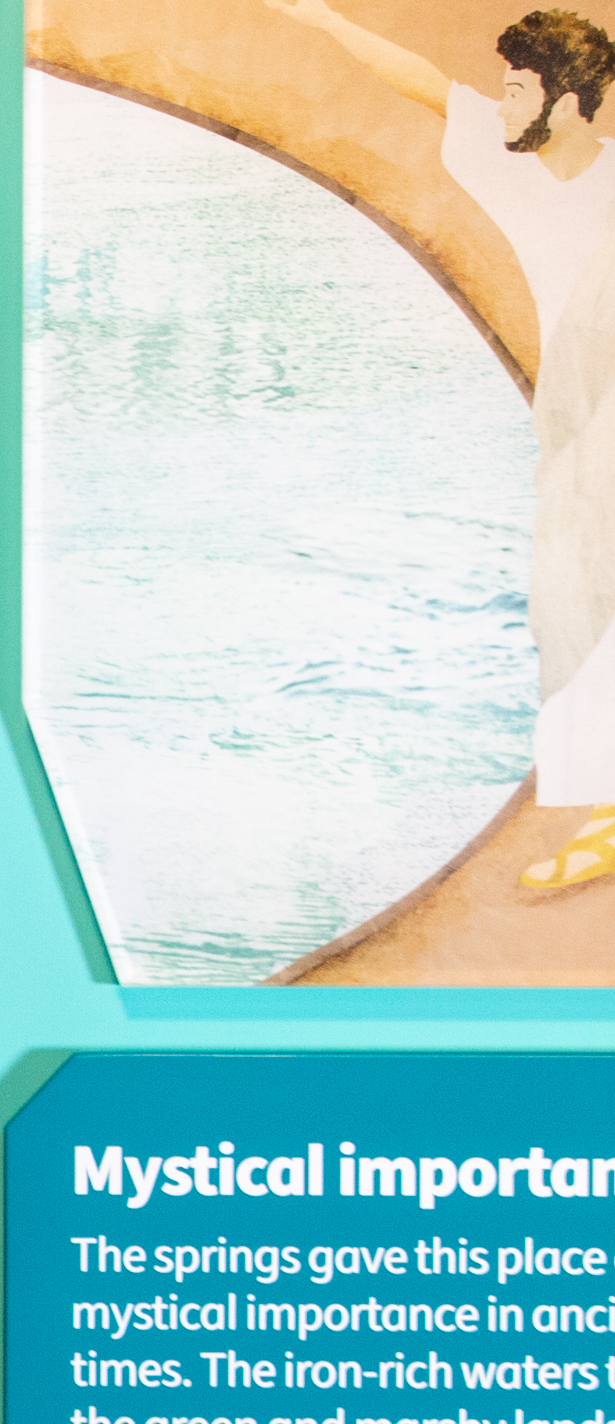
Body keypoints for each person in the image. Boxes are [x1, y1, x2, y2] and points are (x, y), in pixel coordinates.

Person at [270, 1, 615, 887]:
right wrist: (320, 19)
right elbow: (427, 87)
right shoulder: (517, 173)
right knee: (565, 609)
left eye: (517, 90)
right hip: (576, 430)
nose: (500, 106)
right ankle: (597, 813)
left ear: (570, 103)